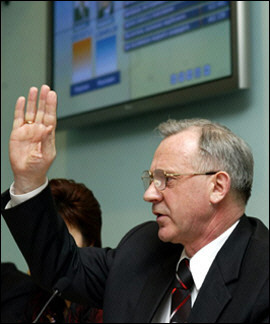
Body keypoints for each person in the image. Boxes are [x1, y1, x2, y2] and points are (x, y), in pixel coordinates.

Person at [1, 85, 269, 323]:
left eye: (167, 179)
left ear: (218, 187)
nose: (150, 194)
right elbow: (62, 268)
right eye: (151, 179)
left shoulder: (262, 275)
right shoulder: (145, 247)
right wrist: (29, 179)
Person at [1, 178, 103, 323]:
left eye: (60, 245)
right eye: (39, 243)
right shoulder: (24, 300)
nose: (46, 253)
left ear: (90, 245)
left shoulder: (110, 307)